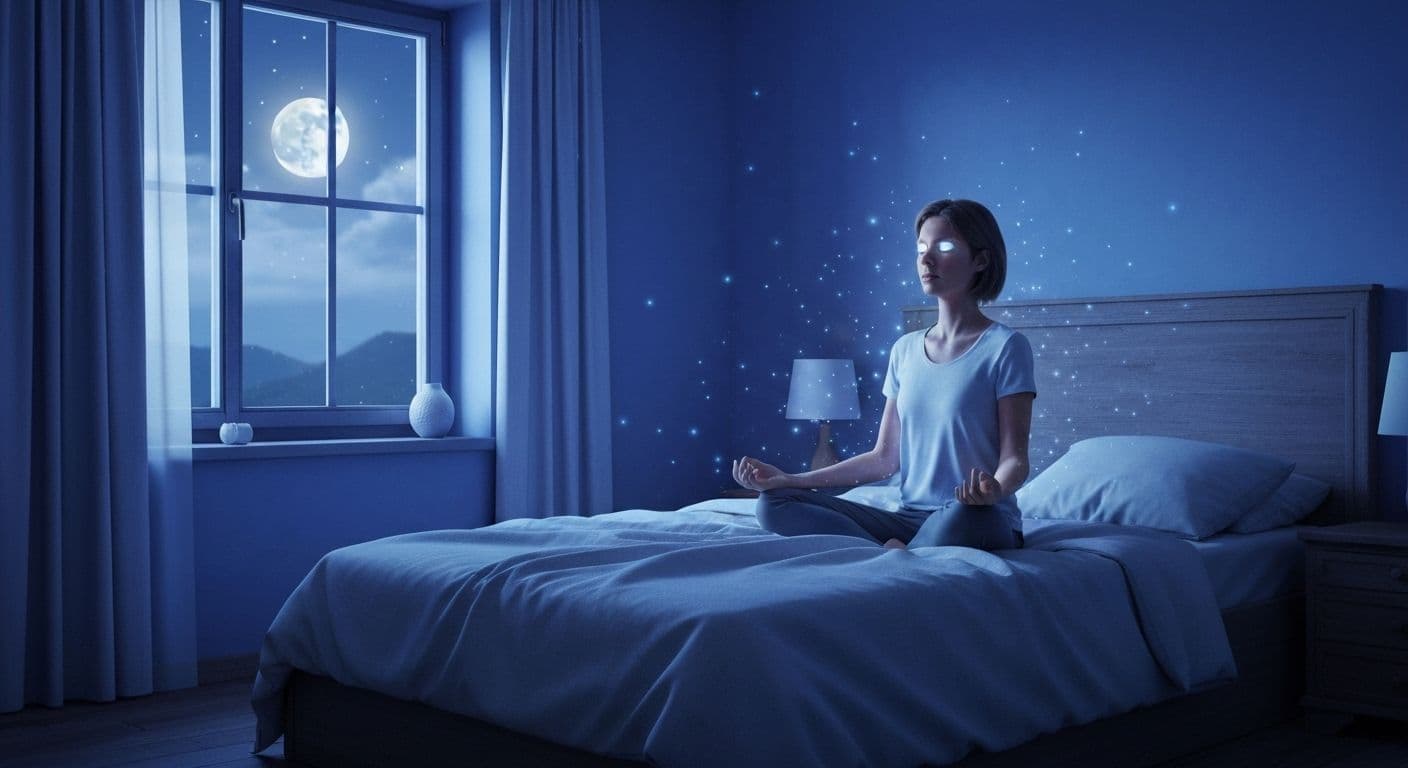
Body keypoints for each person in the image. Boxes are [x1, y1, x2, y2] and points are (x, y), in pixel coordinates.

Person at [732, 199, 1036, 551]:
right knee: (774, 504)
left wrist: (994, 490)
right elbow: (883, 459)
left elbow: (1015, 459)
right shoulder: (904, 350)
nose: (927, 259)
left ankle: (895, 551)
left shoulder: (1006, 347)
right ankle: (895, 552)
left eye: (945, 247)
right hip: (908, 518)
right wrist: (791, 479)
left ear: (981, 260)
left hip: (975, 515)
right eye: (921, 248)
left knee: (963, 515)